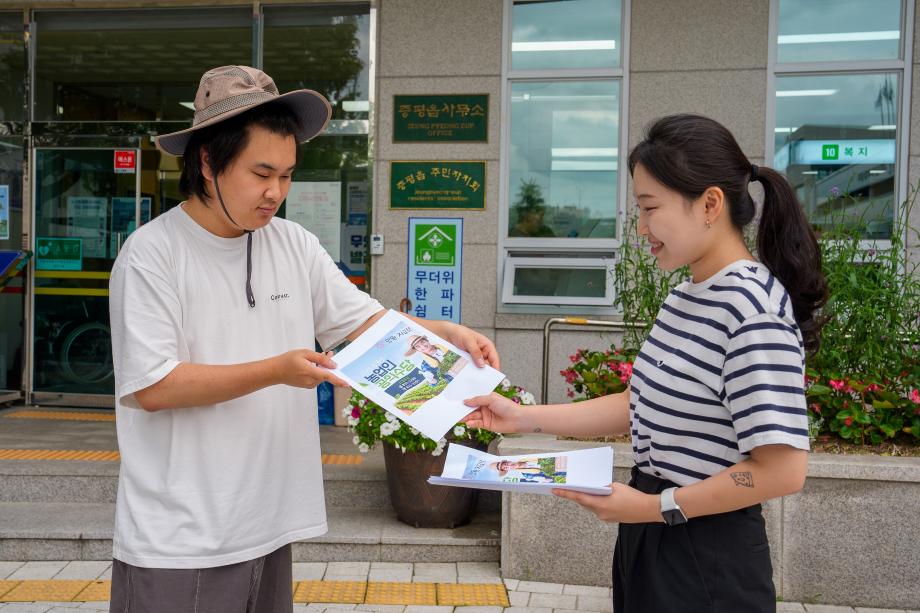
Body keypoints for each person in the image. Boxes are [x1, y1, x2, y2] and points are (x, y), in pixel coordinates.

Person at [108, 65, 499, 613]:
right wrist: (274, 370)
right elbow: (154, 386)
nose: (275, 193)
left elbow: (364, 323)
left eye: (287, 175)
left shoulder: (291, 242)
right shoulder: (152, 254)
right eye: (261, 172)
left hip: (268, 522)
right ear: (207, 161)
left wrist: (447, 333)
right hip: (180, 536)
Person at [464, 114, 827, 613]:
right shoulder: (687, 294)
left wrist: (657, 507)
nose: (641, 228)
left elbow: (783, 471)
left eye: (650, 208)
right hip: (653, 531)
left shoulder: (752, 309)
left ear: (710, 204)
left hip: (706, 555)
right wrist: (523, 416)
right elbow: (640, 402)